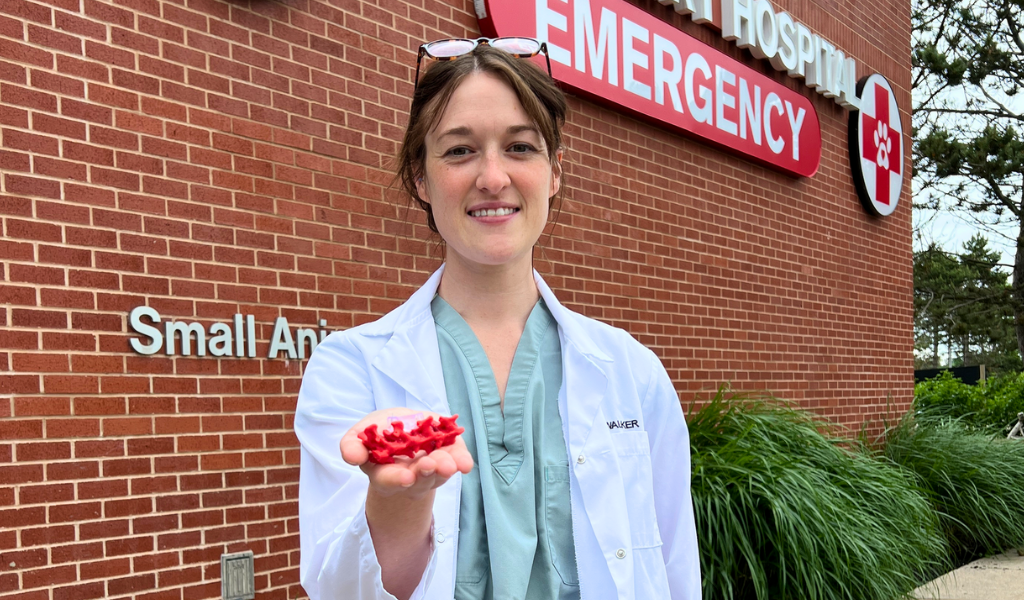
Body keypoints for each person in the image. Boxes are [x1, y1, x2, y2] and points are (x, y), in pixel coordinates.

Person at [294, 37, 701, 600]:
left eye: (520, 148)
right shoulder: (351, 369)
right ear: (420, 176)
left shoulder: (632, 372)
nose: (492, 176)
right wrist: (401, 501)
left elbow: (676, 567)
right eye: (459, 151)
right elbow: (340, 589)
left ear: (555, 172)